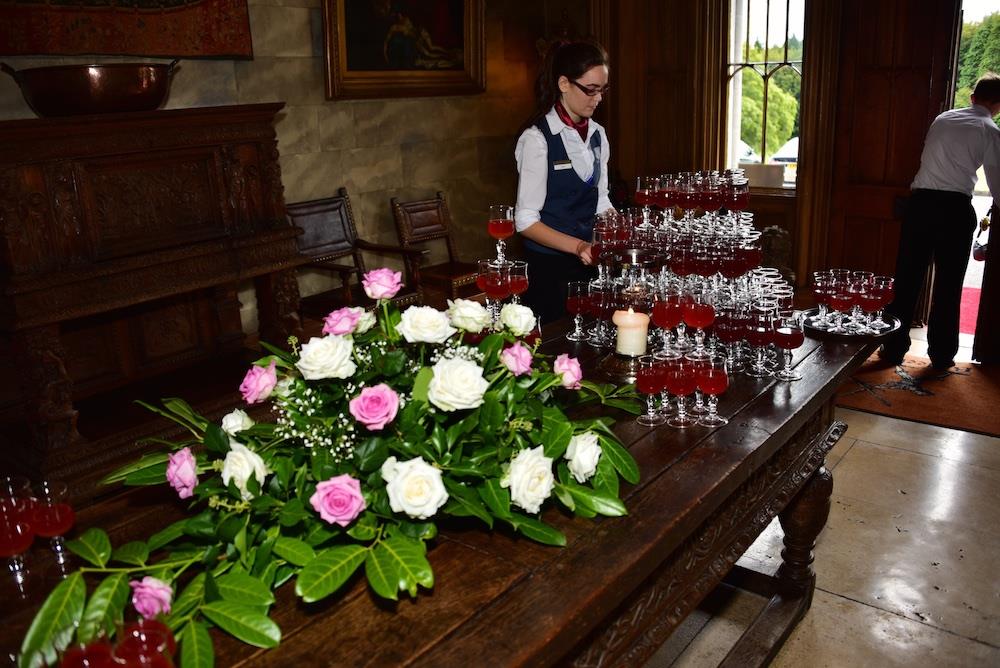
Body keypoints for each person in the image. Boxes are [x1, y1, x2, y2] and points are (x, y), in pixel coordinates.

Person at [881, 72, 1000, 369]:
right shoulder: (989, 129)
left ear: (972, 98)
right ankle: (942, 354)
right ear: (997, 105)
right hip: (954, 209)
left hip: (920, 205)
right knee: (948, 285)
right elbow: (997, 182)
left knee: (907, 280)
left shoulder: (943, 118)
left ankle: (893, 348)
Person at [514, 39, 615, 325]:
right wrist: (578, 247)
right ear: (563, 84)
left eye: (603, 90)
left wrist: (624, 230)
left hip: (589, 267)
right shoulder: (536, 139)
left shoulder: (598, 135)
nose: (597, 99)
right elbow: (525, 220)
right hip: (548, 270)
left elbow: (601, 199)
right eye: (590, 90)